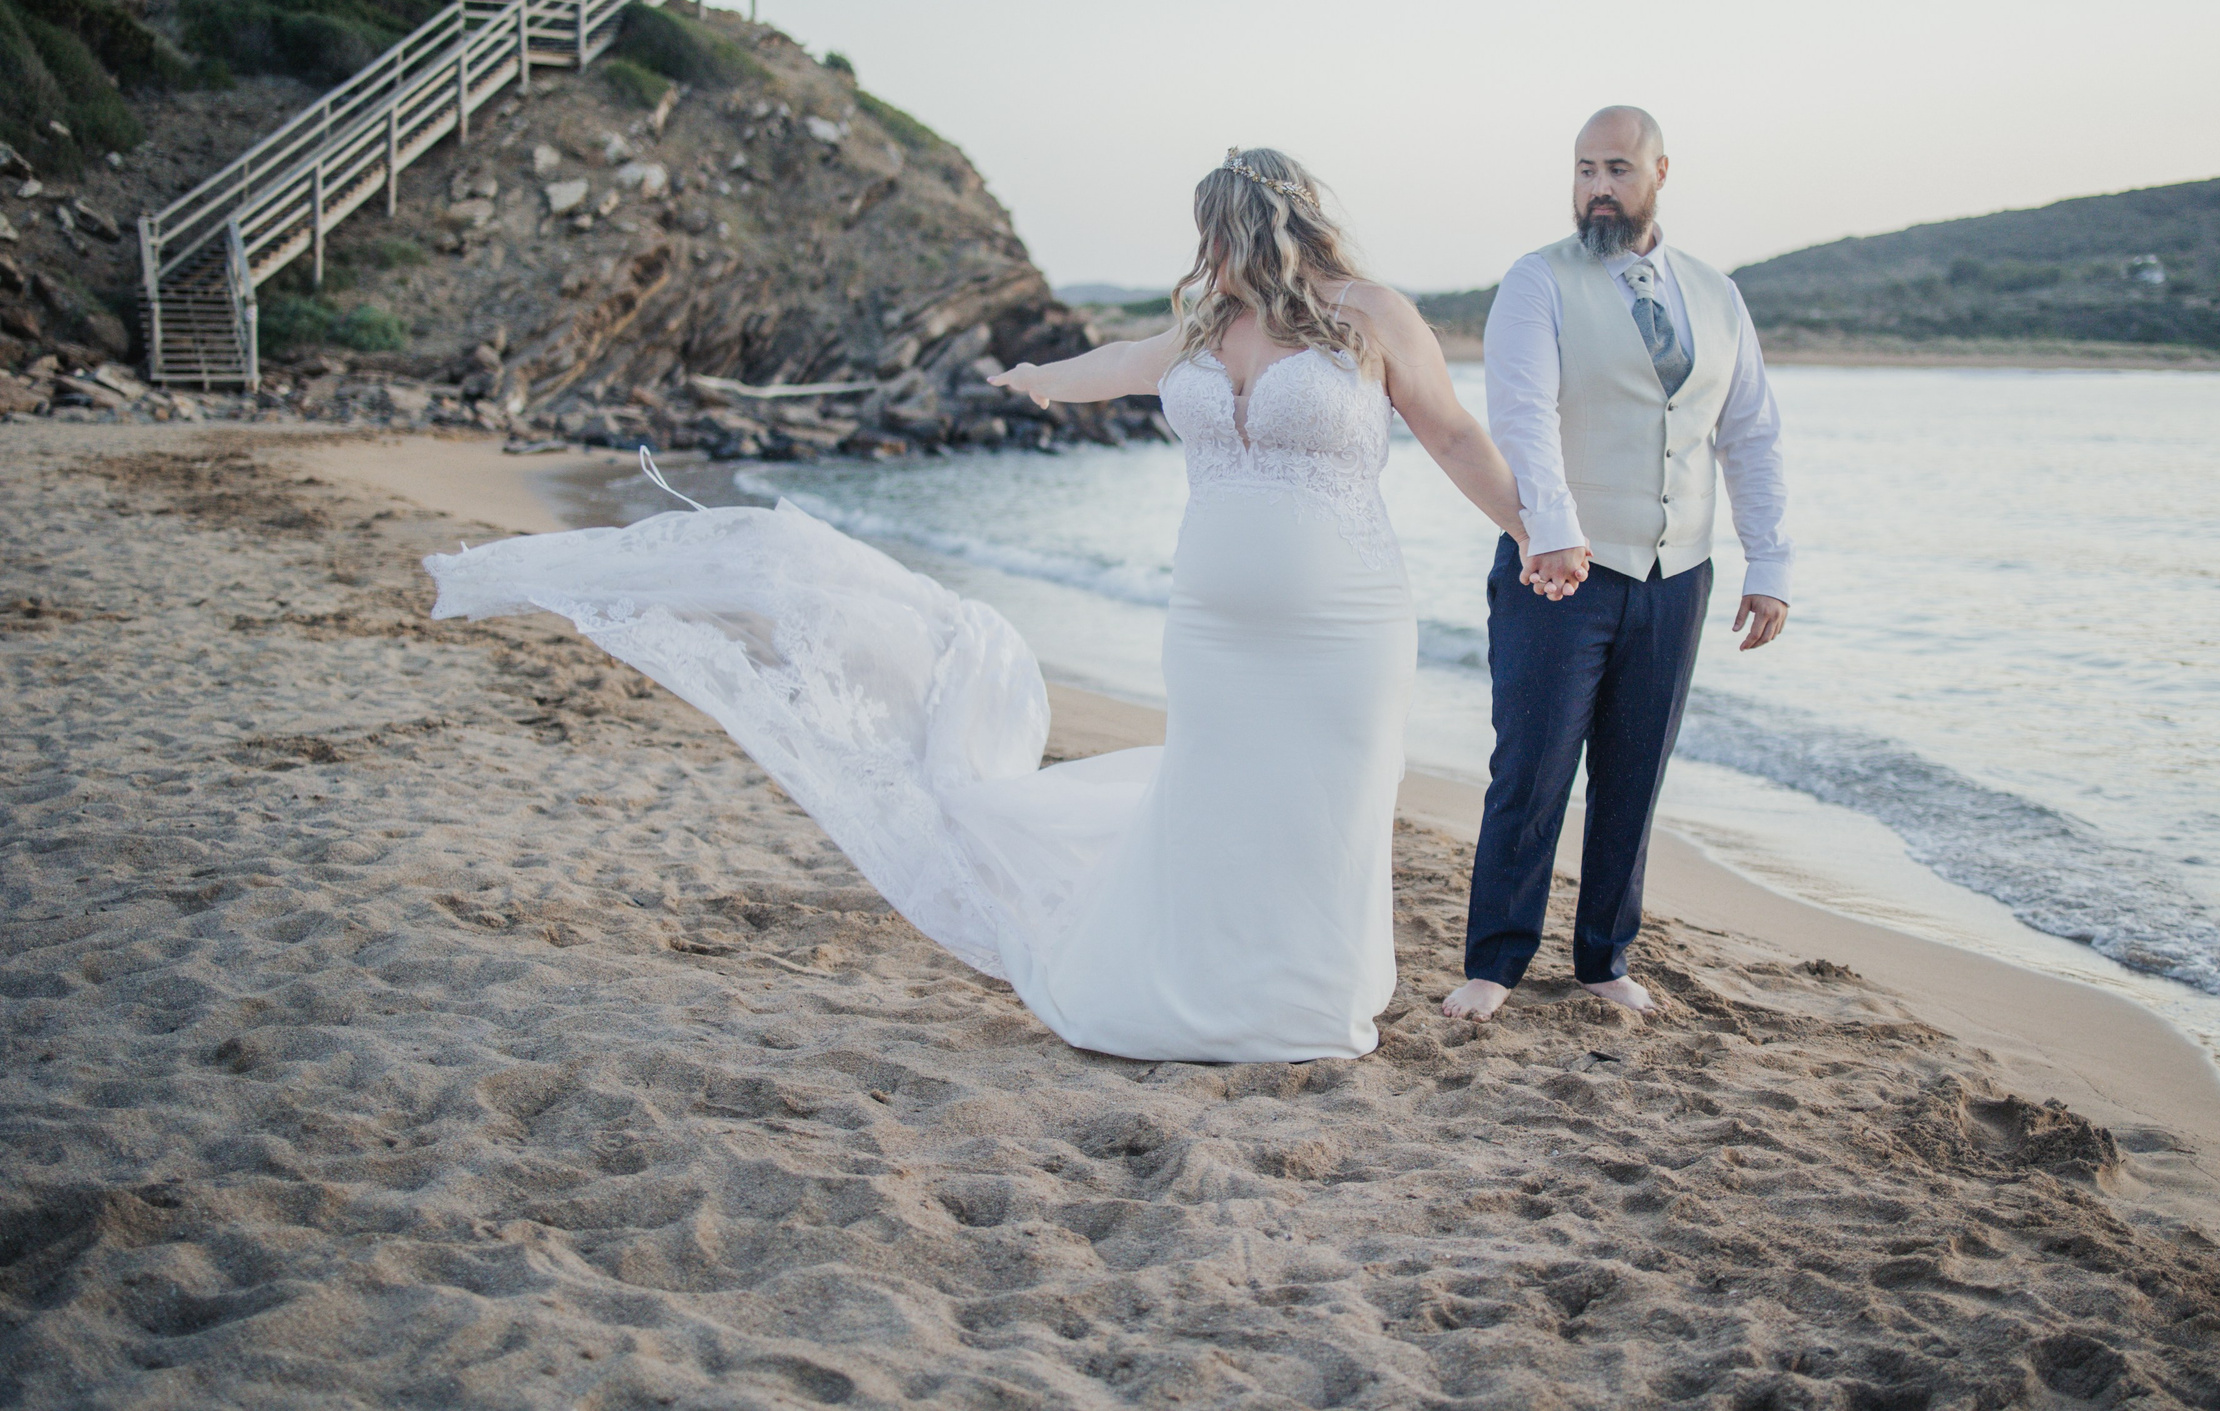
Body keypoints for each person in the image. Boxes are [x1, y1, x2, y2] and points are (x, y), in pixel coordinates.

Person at [427, 147, 1538, 1063]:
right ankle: (1211, 988)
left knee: (1330, 799)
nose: (1213, 257)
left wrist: (1538, 528)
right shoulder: (1207, 330)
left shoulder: (1371, 318)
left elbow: (1452, 434)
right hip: (1212, 621)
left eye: (1225, 234)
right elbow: (1120, 360)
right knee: (1220, 794)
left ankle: (1304, 1001)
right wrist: (1038, 379)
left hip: (1346, 621)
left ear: (1268, 223)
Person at [1440, 107, 1793, 1023]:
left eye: (1618, 169)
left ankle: (1604, 958)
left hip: (1679, 573)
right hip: (1558, 570)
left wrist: (1770, 562)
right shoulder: (1536, 282)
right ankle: (1495, 962)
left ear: (1660, 173)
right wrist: (1549, 526)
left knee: (1635, 773)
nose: (1597, 186)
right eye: (1585, 168)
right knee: (1533, 768)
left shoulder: (1718, 296)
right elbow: (1520, 412)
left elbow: (1750, 432)